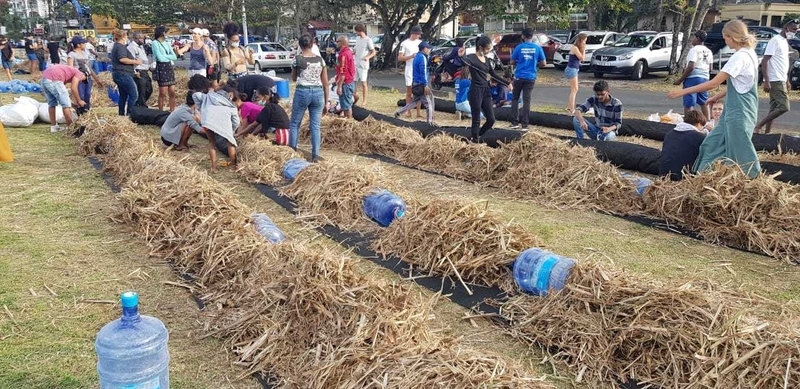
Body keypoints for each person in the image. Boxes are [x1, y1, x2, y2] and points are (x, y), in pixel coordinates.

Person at [667, 20, 761, 178]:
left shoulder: (740, 57)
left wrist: (682, 92)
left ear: (732, 37)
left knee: (741, 151)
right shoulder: (749, 53)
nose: (725, 41)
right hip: (733, 112)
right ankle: (703, 178)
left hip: (740, 113)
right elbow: (738, 83)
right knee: (712, 143)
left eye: (725, 38)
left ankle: (754, 180)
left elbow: (714, 83)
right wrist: (716, 97)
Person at [289, 34, 329, 162]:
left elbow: (294, 78)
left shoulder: (298, 59)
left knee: (295, 123)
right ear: (313, 44)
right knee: (315, 126)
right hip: (318, 92)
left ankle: (293, 152)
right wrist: (326, 102)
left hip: (303, 91)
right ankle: (315, 155)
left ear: (300, 46)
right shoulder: (320, 60)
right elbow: (325, 83)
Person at [755, 19, 798, 134]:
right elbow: (765, 60)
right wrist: (766, 80)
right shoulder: (775, 41)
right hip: (775, 79)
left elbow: (783, 63)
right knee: (784, 106)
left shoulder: (784, 42)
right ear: (786, 28)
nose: (795, 32)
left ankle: (767, 133)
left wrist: (787, 80)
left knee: (774, 108)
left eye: (797, 30)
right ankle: (758, 126)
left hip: (781, 79)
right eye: (793, 29)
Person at [461, 36, 504, 142]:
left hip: (485, 90)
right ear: (480, 47)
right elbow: (464, 62)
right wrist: (461, 56)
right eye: (487, 48)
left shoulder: (487, 60)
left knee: (491, 119)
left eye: (490, 48)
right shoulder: (471, 57)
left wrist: (508, 83)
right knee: (476, 119)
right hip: (475, 90)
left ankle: (477, 135)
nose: (489, 51)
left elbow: (494, 75)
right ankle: (475, 141)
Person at [196, 85, 240, 171]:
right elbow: (236, 121)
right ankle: (233, 165)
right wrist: (232, 131)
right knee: (230, 142)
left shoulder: (209, 96)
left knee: (212, 143)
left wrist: (200, 108)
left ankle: (214, 167)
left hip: (208, 122)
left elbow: (196, 95)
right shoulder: (231, 106)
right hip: (223, 123)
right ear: (230, 94)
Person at [509, 28, 546, 130]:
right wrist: (535, 64)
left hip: (519, 76)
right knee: (527, 100)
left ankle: (514, 122)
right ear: (532, 36)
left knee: (515, 98)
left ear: (523, 36)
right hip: (531, 77)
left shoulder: (519, 47)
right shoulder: (537, 48)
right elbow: (544, 63)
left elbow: (512, 62)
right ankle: (525, 124)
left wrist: (519, 62)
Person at [673, 30, 713, 119]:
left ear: (698, 39)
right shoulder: (708, 51)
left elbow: (691, 66)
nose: (692, 40)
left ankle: (689, 123)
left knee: (689, 102)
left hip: (693, 78)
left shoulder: (694, 50)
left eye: (694, 37)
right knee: (703, 102)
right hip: (705, 78)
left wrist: (680, 79)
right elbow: (710, 68)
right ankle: (708, 122)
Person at [394, 41, 435, 125]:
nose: (429, 50)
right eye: (428, 48)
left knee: (414, 101)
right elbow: (423, 71)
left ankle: (399, 112)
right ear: (424, 49)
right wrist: (425, 85)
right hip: (421, 84)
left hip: (415, 83)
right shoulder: (423, 58)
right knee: (429, 103)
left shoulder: (416, 57)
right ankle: (430, 122)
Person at [660, 110, 708, 181]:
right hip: (684, 178)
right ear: (698, 124)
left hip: (664, 175)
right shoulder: (699, 137)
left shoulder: (669, 134)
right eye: (702, 127)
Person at [39, 64, 85, 132]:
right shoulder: (79, 73)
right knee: (66, 105)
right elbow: (73, 88)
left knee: (52, 104)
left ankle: (54, 127)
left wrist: (71, 103)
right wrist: (79, 100)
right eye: (83, 80)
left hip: (44, 78)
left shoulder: (68, 72)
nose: (81, 81)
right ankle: (71, 128)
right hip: (54, 79)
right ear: (85, 74)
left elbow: (60, 93)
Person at [67, 36, 103, 114]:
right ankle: (80, 113)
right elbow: (70, 69)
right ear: (79, 45)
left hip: (88, 78)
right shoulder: (71, 54)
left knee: (87, 96)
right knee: (81, 96)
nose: (85, 45)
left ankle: (87, 113)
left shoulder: (84, 54)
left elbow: (89, 67)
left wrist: (96, 79)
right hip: (78, 79)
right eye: (83, 43)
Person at [109, 29, 142, 116]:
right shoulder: (120, 47)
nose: (127, 37)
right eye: (126, 36)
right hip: (123, 74)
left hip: (120, 73)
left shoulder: (116, 46)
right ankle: (130, 114)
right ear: (123, 37)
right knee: (134, 95)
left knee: (123, 96)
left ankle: (121, 114)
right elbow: (122, 59)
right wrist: (136, 62)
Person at [398, 25, 423, 118]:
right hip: (409, 68)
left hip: (418, 69)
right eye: (418, 34)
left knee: (419, 91)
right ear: (413, 33)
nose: (419, 36)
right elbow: (400, 57)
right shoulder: (404, 43)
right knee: (409, 91)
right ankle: (408, 111)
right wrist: (411, 56)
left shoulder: (420, 43)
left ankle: (418, 112)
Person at [152, 26, 179, 111]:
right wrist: (168, 57)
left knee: (172, 92)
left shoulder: (166, 43)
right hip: (161, 68)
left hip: (169, 67)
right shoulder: (155, 43)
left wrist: (165, 56)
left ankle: (172, 109)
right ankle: (160, 111)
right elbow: (159, 58)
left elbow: (174, 56)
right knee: (162, 93)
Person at [353, 24, 376, 107]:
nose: (356, 33)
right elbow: (355, 49)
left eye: (356, 31)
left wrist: (368, 57)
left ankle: (364, 101)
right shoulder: (357, 39)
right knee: (353, 81)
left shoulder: (368, 40)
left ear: (360, 31)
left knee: (363, 82)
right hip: (356, 63)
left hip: (363, 64)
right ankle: (353, 98)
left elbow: (373, 52)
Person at [127, 33, 153, 107]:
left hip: (145, 70)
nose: (143, 40)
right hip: (139, 70)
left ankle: (140, 104)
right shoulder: (131, 47)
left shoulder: (141, 47)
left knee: (149, 89)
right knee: (142, 91)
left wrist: (149, 66)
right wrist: (135, 72)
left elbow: (144, 59)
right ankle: (142, 106)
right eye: (141, 38)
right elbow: (131, 60)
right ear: (135, 39)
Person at [565, 33, 587, 114]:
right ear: (580, 41)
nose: (585, 43)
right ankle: (571, 109)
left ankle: (569, 106)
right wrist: (584, 49)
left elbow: (582, 59)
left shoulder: (577, 48)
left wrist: (583, 48)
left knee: (573, 89)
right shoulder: (574, 48)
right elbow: (582, 58)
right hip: (571, 69)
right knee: (575, 89)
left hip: (574, 69)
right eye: (584, 41)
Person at [335, 36, 356, 118]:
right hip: (349, 82)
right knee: (347, 105)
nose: (336, 43)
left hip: (345, 83)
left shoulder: (344, 55)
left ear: (342, 42)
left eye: (338, 41)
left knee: (346, 107)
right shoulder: (348, 52)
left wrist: (339, 86)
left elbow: (343, 72)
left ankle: (349, 122)